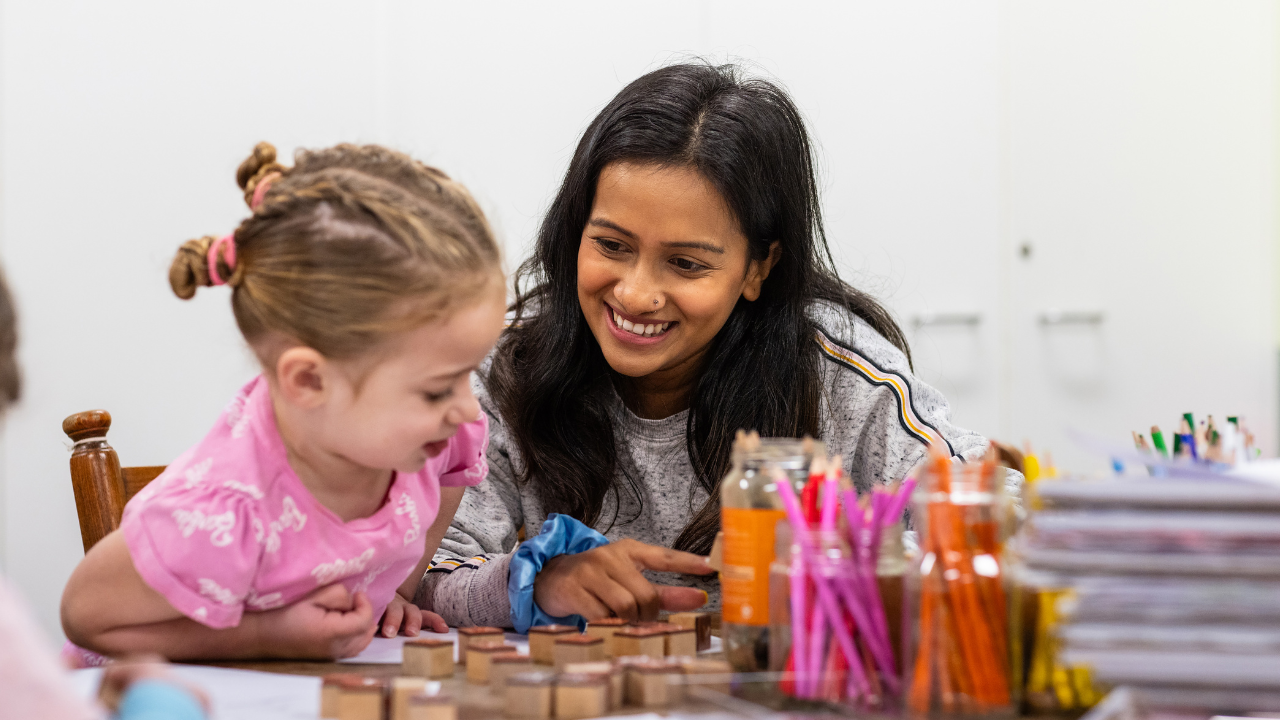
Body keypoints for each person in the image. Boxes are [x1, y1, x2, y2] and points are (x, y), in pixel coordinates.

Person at [415, 63, 1018, 631]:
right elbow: (419, 574)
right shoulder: (508, 374)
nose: (636, 293)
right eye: (611, 246)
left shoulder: (841, 379)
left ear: (759, 268)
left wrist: (840, 557)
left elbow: (996, 524)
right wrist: (534, 583)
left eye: (685, 263)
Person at [61, 142, 505, 660]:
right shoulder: (223, 511)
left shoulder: (436, 435)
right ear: (310, 382)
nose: (469, 411)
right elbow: (84, 619)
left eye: (466, 375)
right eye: (436, 389)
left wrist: (396, 591)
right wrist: (269, 634)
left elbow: (451, 476)